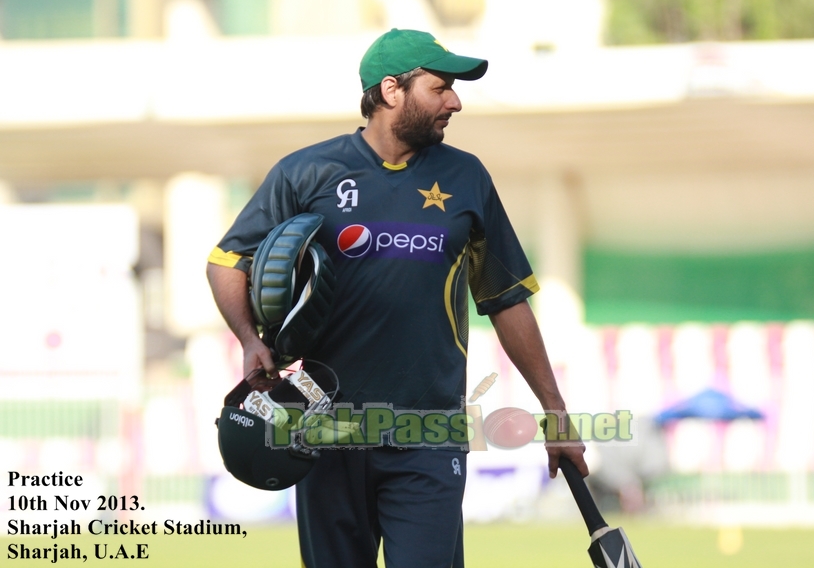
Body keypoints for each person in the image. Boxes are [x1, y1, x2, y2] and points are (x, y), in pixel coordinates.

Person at [207, 28, 587, 568]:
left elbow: (506, 301)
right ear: (391, 91)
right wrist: (249, 340)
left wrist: (556, 412)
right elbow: (226, 262)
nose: (455, 101)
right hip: (323, 432)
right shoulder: (306, 172)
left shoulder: (466, 177)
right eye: (440, 87)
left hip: (428, 437)